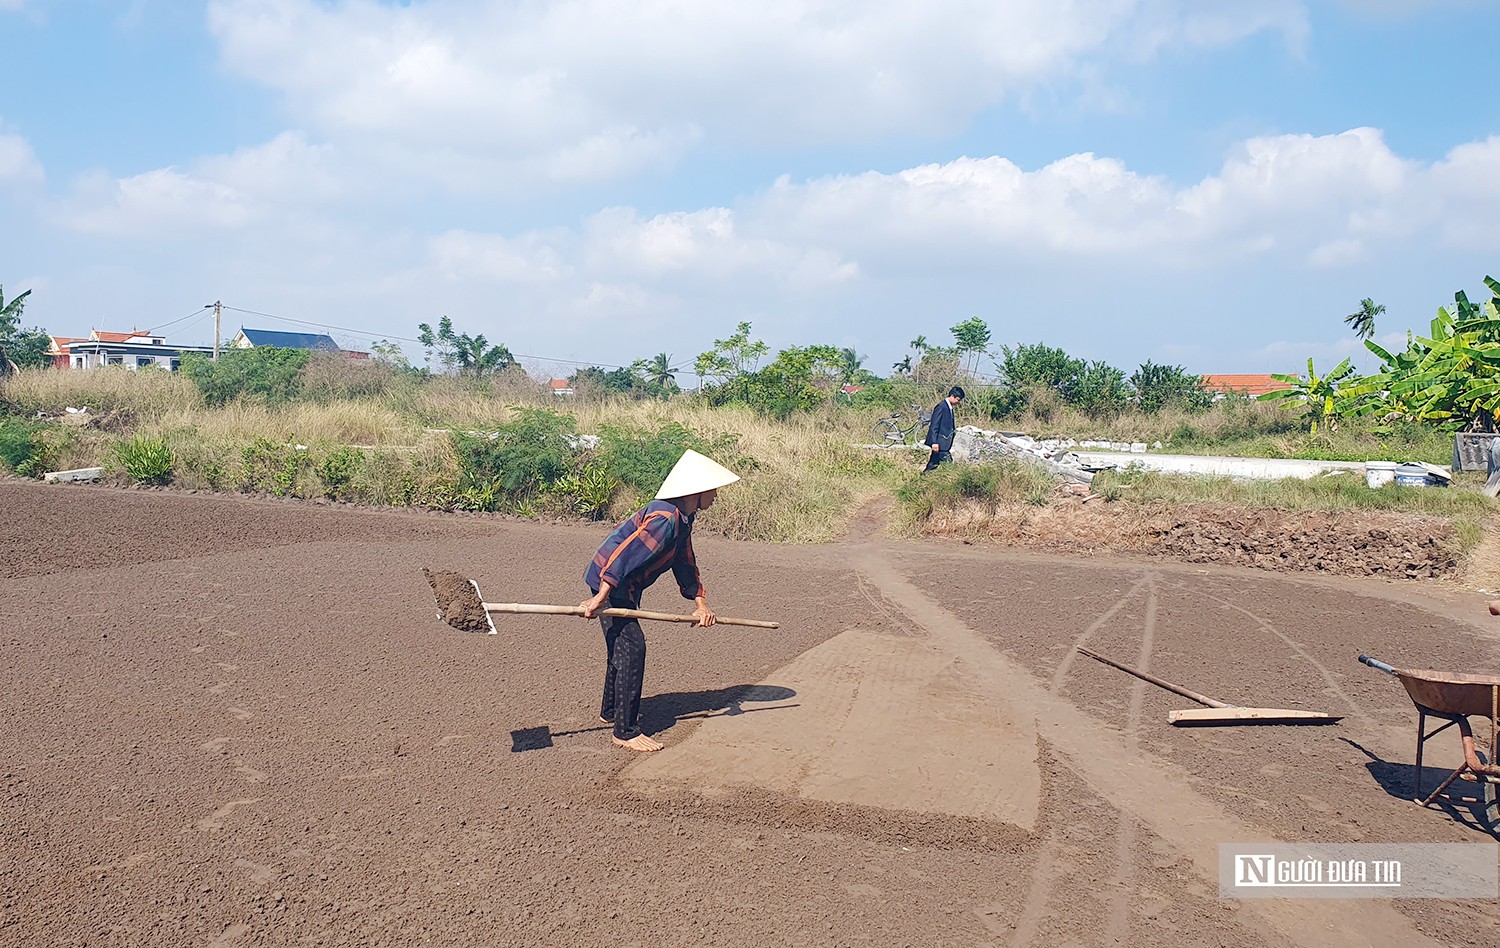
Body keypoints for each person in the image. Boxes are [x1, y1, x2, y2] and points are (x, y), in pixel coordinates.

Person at [579, 448, 740, 752]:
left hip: (620, 585)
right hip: (611, 582)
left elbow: (685, 562)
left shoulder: (682, 519)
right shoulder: (665, 519)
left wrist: (700, 602)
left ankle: (612, 712)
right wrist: (601, 596)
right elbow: (623, 556)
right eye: (714, 490)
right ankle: (624, 731)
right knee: (632, 647)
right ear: (698, 490)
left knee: (621, 645)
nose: (716, 497)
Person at [922, 385, 965, 473]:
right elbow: (934, 426)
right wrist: (934, 442)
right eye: (958, 399)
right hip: (940, 443)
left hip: (944, 443)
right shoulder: (941, 407)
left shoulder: (949, 408)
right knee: (949, 465)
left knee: (933, 464)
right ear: (952, 396)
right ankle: (951, 481)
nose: (958, 402)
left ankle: (923, 479)